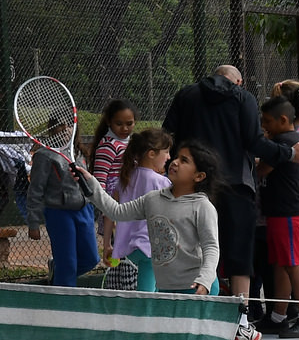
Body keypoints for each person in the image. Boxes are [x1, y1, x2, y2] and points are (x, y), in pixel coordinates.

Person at [161, 64, 298, 340]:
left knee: (196, 250)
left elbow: (168, 136)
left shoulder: (186, 95)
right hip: (236, 185)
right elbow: (255, 141)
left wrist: (175, 170)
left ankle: (192, 317)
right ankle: (240, 322)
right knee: (239, 256)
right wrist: (288, 153)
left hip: (195, 184)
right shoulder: (242, 97)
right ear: (238, 81)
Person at [73, 141, 223, 295]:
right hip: (166, 289)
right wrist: (91, 182)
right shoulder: (152, 199)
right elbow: (116, 211)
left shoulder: (203, 207)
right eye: (177, 157)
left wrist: (205, 280)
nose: (175, 162)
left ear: (199, 176)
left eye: (184, 161)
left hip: (198, 289)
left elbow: (211, 247)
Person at [254, 96, 299, 337]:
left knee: (292, 264)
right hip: (280, 212)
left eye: (268, 121)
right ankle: (278, 316)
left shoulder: (284, 143)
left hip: (288, 212)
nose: (264, 125)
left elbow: (260, 170)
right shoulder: (284, 140)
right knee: (282, 264)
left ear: (283, 120)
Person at [26, 132, 96, 288]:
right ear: (52, 129)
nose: (65, 131)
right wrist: (33, 223)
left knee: (91, 259)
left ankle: (57, 272)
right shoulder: (44, 156)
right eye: (60, 127)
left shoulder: (79, 151)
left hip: (84, 210)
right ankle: (64, 304)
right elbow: (35, 190)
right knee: (68, 265)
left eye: (69, 126)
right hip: (59, 214)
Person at [109, 128, 172, 292]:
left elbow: (109, 211)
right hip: (151, 247)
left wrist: (108, 244)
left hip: (130, 248)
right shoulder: (162, 183)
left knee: (153, 288)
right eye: (166, 152)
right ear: (152, 154)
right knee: (147, 294)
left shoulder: (125, 178)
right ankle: (144, 315)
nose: (169, 157)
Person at [88, 100, 136, 262]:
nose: (125, 128)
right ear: (109, 122)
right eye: (119, 124)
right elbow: (99, 181)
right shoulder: (107, 146)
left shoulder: (132, 143)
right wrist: (105, 208)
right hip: (113, 207)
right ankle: (118, 281)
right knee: (117, 257)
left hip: (129, 202)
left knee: (130, 254)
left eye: (129, 124)